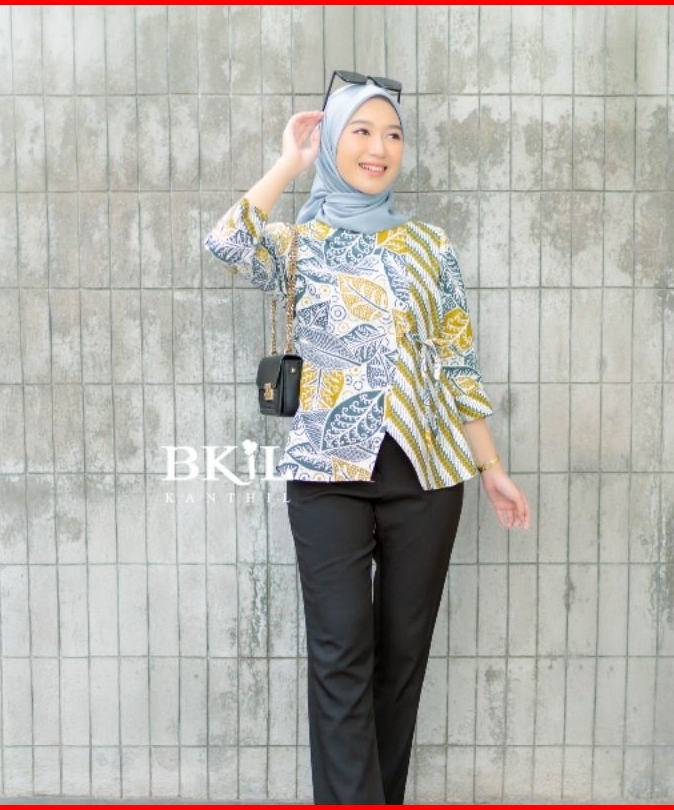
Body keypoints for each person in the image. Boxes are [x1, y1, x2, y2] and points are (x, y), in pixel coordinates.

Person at [204, 71, 530, 805]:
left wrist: (491, 466)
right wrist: (289, 162)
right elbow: (227, 240)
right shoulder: (299, 243)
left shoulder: (429, 246)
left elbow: (456, 361)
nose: (379, 148)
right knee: (340, 654)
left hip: (428, 477)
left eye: (393, 135)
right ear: (333, 142)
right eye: (361, 131)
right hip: (326, 475)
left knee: (400, 661)